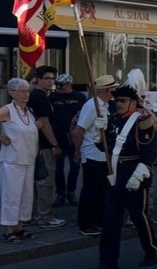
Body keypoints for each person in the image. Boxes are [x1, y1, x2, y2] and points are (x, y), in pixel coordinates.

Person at [92, 70, 157, 269]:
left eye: (123, 100)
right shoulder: (113, 120)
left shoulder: (143, 120)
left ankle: (153, 252)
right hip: (115, 174)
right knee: (110, 221)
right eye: (117, 100)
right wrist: (99, 135)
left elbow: (149, 151)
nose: (119, 103)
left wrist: (139, 174)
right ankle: (107, 260)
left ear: (133, 102)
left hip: (134, 174)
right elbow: (104, 150)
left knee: (140, 218)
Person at [0, 78, 40, 243]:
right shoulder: (8, 110)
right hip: (12, 160)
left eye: (27, 91)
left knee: (26, 195)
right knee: (11, 195)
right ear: (12, 93)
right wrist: (0, 138)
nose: (25, 94)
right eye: (21, 91)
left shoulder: (29, 111)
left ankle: (20, 226)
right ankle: (8, 229)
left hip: (28, 159)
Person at [72, 75, 119, 236]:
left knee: (102, 190)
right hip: (92, 153)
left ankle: (98, 220)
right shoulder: (92, 106)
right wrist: (78, 152)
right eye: (113, 89)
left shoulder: (106, 106)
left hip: (103, 155)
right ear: (107, 90)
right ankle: (86, 223)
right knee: (90, 190)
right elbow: (78, 131)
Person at [28, 65, 67, 228]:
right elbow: (45, 123)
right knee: (46, 181)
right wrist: (54, 144)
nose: (51, 82)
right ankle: (44, 217)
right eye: (47, 78)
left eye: (52, 79)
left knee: (37, 181)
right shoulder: (40, 97)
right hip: (44, 145)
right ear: (38, 80)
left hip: (36, 145)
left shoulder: (38, 96)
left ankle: (34, 214)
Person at [49, 73, 87, 207]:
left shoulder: (79, 97)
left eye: (62, 85)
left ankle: (71, 192)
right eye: (58, 85)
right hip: (58, 136)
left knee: (75, 165)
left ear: (69, 84)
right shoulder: (53, 97)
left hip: (74, 137)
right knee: (58, 167)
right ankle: (60, 193)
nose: (60, 87)